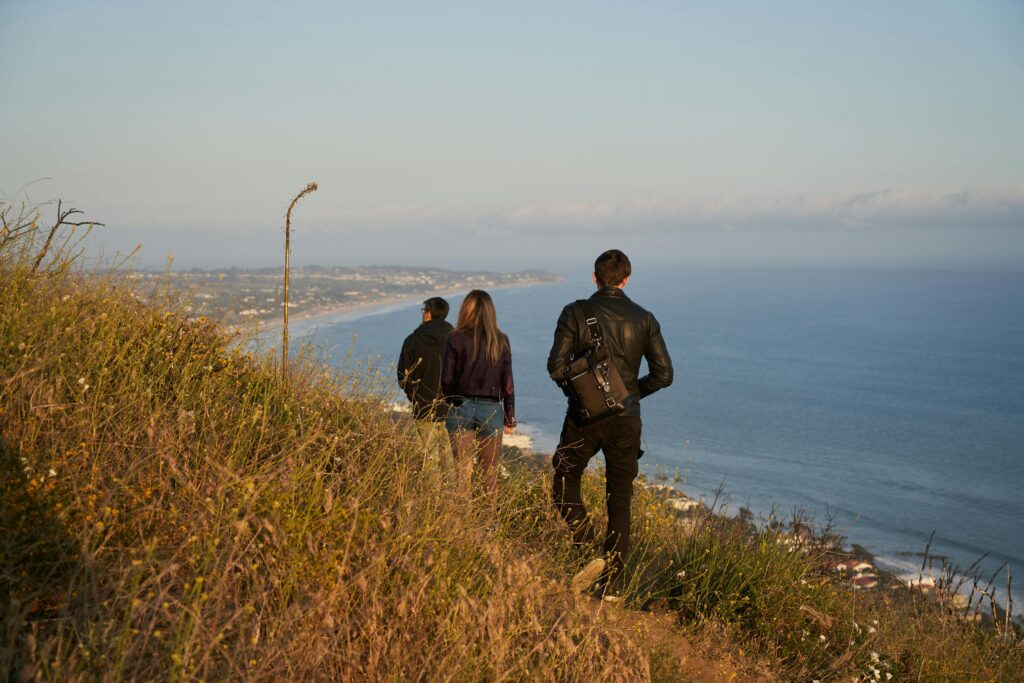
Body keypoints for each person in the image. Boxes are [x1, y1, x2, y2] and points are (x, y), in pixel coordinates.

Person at [547, 249, 673, 600]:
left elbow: (556, 366)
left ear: (595, 277)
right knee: (619, 498)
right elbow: (664, 375)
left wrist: (587, 395)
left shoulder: (575, 313)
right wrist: (628, 395)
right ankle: (613, 585)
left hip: (584, 418)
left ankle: (588, 551)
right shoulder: (645, 318)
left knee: (563, 480)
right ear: (626, 279)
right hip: (626, 419)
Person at [441, 290, 516, 497]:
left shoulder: (455, 338)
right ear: (490, 312)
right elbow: (507, 383)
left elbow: (446, 379)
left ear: (466, 309)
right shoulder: (501, 340)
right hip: (491, 410)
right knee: (489, 477)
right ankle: (488, 528)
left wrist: (451, 401)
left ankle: (461, 526)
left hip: (460, 406)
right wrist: (510, 417)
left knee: (462, 476)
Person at [397, 297, 454, 466]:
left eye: (424, 311)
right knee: (448, 456)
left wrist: (415, 396)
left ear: (428, 314)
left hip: (422, 405)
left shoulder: (413, 340)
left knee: (430, 458)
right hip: (450, 406)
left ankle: (433, 491)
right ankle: (451, 492)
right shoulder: (457, 340)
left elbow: (403, 376)